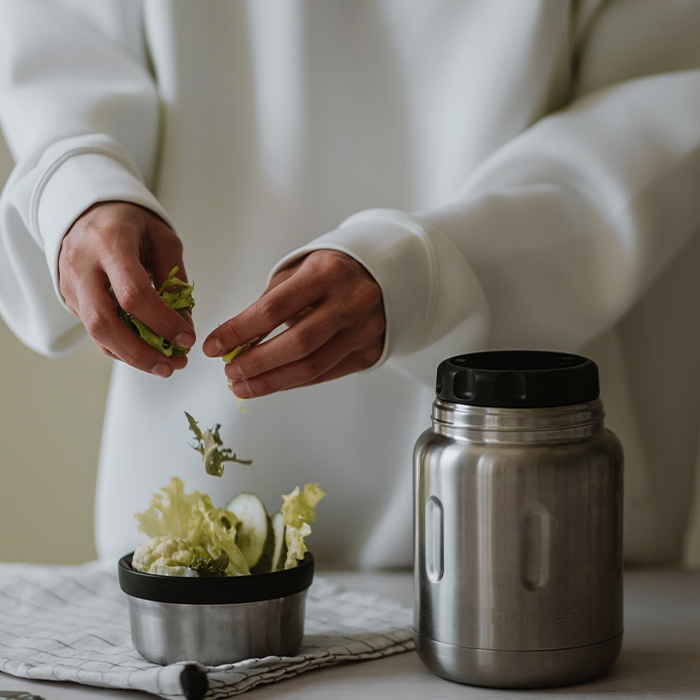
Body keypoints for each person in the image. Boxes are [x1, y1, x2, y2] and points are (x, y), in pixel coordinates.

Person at [2, 0, 700, 569]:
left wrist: (441, 268)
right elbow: (65, 30)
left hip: (526, 514)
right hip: (197, 515)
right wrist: (79, 185)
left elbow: (661, 99)